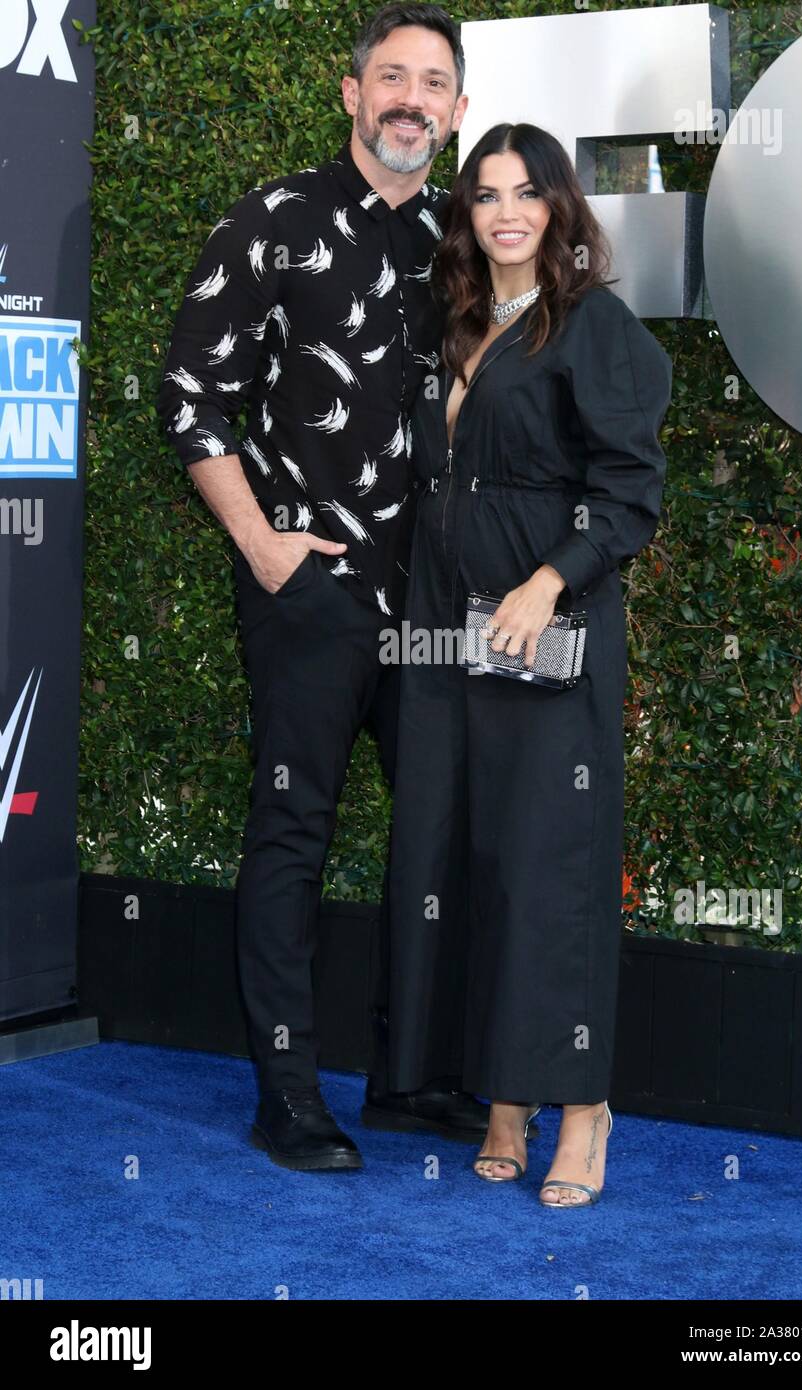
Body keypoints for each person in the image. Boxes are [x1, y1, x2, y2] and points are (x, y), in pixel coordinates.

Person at [155, 4, 506, 1172]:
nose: (412, 98)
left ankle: (412, 1081)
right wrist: (262, 545)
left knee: (440, 840)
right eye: (391, 77)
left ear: (455, 111)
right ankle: (288, 1096)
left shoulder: (469, 243)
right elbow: (192, 396)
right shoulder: (273, 221)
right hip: (313, 587)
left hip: (438, 607)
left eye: (434, 83)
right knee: (293, 833)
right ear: (350, 93)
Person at [386, 122, 673, 1206]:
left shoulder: (593, 327)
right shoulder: (456, 319)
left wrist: (549, 578)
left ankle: (582, 1110)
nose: (506, 213)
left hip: (545, 636)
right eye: (485, 195)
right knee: (478, 865)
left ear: (558, 209)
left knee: (549, 876)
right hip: (451, 638)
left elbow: (629, 489)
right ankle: (504, 1097)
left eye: (527, 195)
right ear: (464, 214)